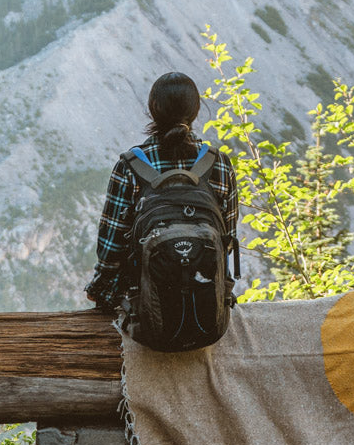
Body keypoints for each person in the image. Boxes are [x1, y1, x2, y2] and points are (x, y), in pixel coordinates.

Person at [86, 70, 239, 315]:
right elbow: (227, 240)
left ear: (153, 109)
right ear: (196, 112)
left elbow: (110, 248)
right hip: (207, 307)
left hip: (145, 305)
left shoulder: (130, 166)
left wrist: (99, 288)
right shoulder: (219, 163)